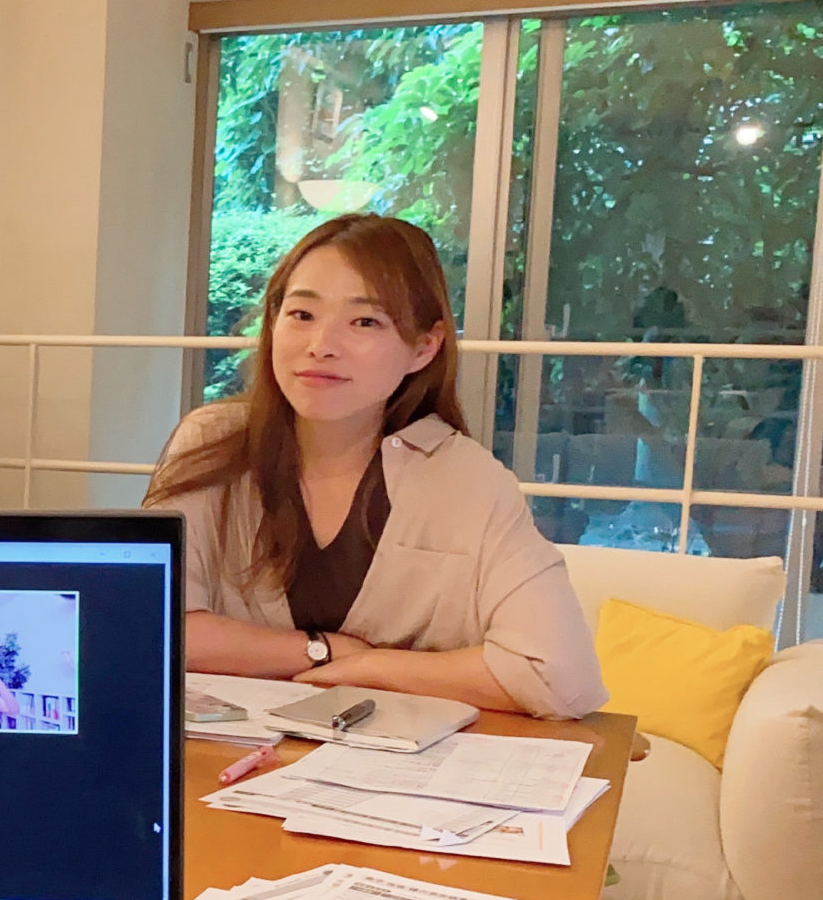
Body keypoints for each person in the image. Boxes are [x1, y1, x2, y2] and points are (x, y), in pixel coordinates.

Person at [144, 214, 605, 720]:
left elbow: (559, 675)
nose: (321, 345)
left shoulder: (467, 479)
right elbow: (150, 625)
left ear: (424, 347)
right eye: (301, 314)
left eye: (365, 321)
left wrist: (370, 666)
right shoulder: (211, 445)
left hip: (405, 762)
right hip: (232, 755)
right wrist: (321, 651)